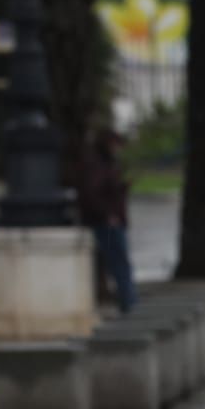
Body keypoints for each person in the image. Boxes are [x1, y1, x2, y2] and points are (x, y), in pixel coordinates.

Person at [78, 128, 136, 314]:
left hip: (110, 221)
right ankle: (129, 304)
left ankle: (128, 302)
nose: (118, 148)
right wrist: (107, 215)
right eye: (115, 144)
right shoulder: (98, 165)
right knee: (119, 263)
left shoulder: (106, 164)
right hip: (107, 223)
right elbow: (93, 194)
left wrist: (122, 188)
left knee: (118, 263)